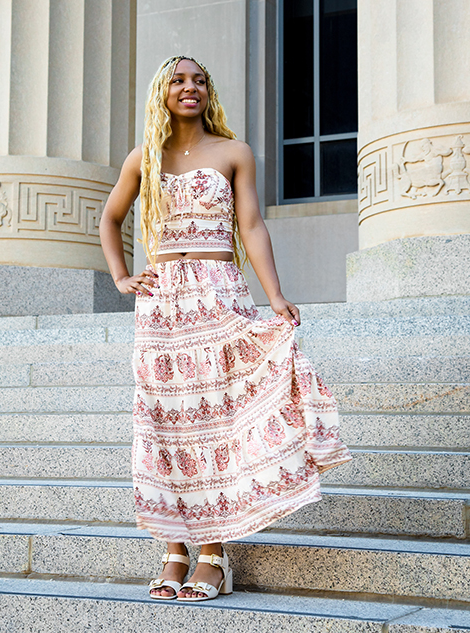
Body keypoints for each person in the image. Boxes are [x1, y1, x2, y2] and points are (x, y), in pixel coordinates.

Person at [99, 56, 351, 602]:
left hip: (218, 291)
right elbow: (110, 217)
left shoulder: (234, 152)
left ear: (208, 91)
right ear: (162, 92)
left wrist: (275, 294)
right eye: (178, 80)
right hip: (162, 302)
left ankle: (213, 553)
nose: (190, 87)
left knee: (216, 417)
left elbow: (251, 225)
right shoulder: (144, 157)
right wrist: (121, 276)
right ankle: (173, 548)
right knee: (169, 422)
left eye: (199, 80)